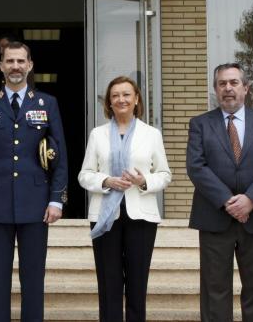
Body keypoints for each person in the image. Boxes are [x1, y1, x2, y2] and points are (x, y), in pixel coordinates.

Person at [0, 41, 68, 322]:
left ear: (30, 65)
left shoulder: (47, 103)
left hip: (36, 204)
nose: (15, 67)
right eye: (10, 61)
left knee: (34, 277)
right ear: (1, 66)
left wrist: (56, 198)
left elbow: (59, 154)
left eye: (20, 61)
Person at [186, 62, 253, 322]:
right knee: (214, 289)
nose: (228, 89)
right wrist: (228, 201)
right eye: (222, 84)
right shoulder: (199, 124)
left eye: (233, 83)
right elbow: (196, 167)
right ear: (215, 89)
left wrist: (250, 200)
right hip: (214, 216)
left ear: (246, 88)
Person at [78, 76, 171, 322]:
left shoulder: (151, 134)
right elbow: (84, 175)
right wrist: (106, 181)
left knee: (137, 284)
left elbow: (164, 174)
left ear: (136, 99)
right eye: (115, 95)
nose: (121, 99)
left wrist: (144, 182)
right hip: (105, 216)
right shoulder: (97, 134)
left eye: (126, 94)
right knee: (109, 284)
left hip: (140, 216)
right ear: (109, 101)